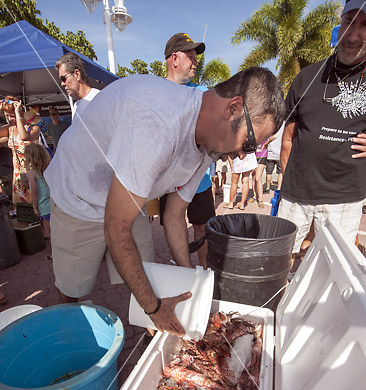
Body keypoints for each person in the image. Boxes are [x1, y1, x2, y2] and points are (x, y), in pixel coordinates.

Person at [44, 67, 285, 336]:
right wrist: (154, 308)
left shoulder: (209, 143)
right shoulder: (158, 122)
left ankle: (153, 334)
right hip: (78, 194)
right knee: (73, 286)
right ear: (234, 108)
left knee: (149, 278)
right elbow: (116, 227)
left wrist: (188, 278)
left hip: (128, 198)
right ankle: (66, 327)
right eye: (249, 144)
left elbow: (174, 215)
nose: (243, 156)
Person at [278, 0, 366, 257]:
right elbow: (287, 139)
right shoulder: (307, 77)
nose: (353, 34)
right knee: (282, 258)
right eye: (349, 22)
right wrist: (287, 182)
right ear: (340, 23)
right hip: (295, 195)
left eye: (364, 25)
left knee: (332, 266)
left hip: (345, 198)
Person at [160, 33, 215, 269]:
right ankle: (184, 270)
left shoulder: (203, 93)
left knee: (201, 226)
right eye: (190, 56)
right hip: (167, 179)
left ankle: (203, 271)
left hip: (199, 179)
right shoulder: (156, 92)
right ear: (174, 58)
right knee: (174, 223)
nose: (195, 62)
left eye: (196, 57)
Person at [0, 97, 40, 206]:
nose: (10, 119)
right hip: (18, 176)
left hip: (33, 172)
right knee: (21, 209)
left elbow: (23, 137)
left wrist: (17, 114)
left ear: (21, 113)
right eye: (7, 116)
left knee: (36, 206)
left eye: (11, 116)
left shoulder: (33, 128)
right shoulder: (10, 129)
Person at [55, 53, 100, 120]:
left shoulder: (99, 99)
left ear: (77, 74)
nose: (62, 84)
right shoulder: (76, 106)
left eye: (63, 78)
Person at [24, 142, 51, 239]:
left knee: (51, 233)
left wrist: (34, 207)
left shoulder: (32, 173)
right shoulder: (49, 169)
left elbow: (34, 192)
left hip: (44, 206)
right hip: (55, 204)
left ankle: (54, 252)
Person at [265, 122, 284, 192]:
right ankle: (279, 188)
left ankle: (267, 188)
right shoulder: (284, 125)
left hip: (270, 153)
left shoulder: (271, 124)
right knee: (280, 173)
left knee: (269, 172)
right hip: (280, 153)